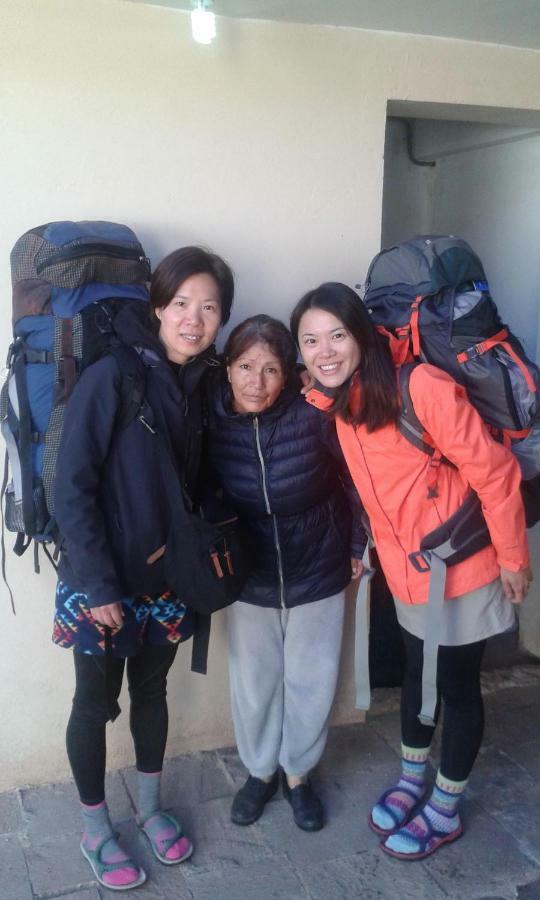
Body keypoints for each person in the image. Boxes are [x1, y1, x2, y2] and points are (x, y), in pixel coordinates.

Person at [290, 282, 531, 860]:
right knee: (413, 672)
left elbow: (496, 473)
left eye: (337, 335)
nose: (325, 351)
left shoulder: (421, 386)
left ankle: (445, 809)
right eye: (310, 340)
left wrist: (515, 560)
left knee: (455, 685)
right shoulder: (342, 403)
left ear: (363, 336)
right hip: (405, 575)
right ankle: (410, 779)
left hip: (464, 567)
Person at [53, 246, 234, 890]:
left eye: (209, 307)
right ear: (156, 307)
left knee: (151, 694)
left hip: (166, 583)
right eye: (181, 303)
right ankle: (96, 828)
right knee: (94, 704)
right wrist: (98, 584)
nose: (194, 318)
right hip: (100, 581)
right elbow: (69, 486)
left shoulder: (206, 383)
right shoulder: (114, 376)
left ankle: (151, 810)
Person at [205, 314, 366, 832]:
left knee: (312, 680)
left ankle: (298, 774)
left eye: (271, 369)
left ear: (290, 372)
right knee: (253, 683)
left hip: (318, 563)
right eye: (246, 367)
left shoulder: (312, 412)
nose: (257, 382)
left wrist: (359, 544)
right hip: (248, 574)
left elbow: (356, 477)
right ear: (227, 370)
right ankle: (259, 773)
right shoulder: (210, 420)